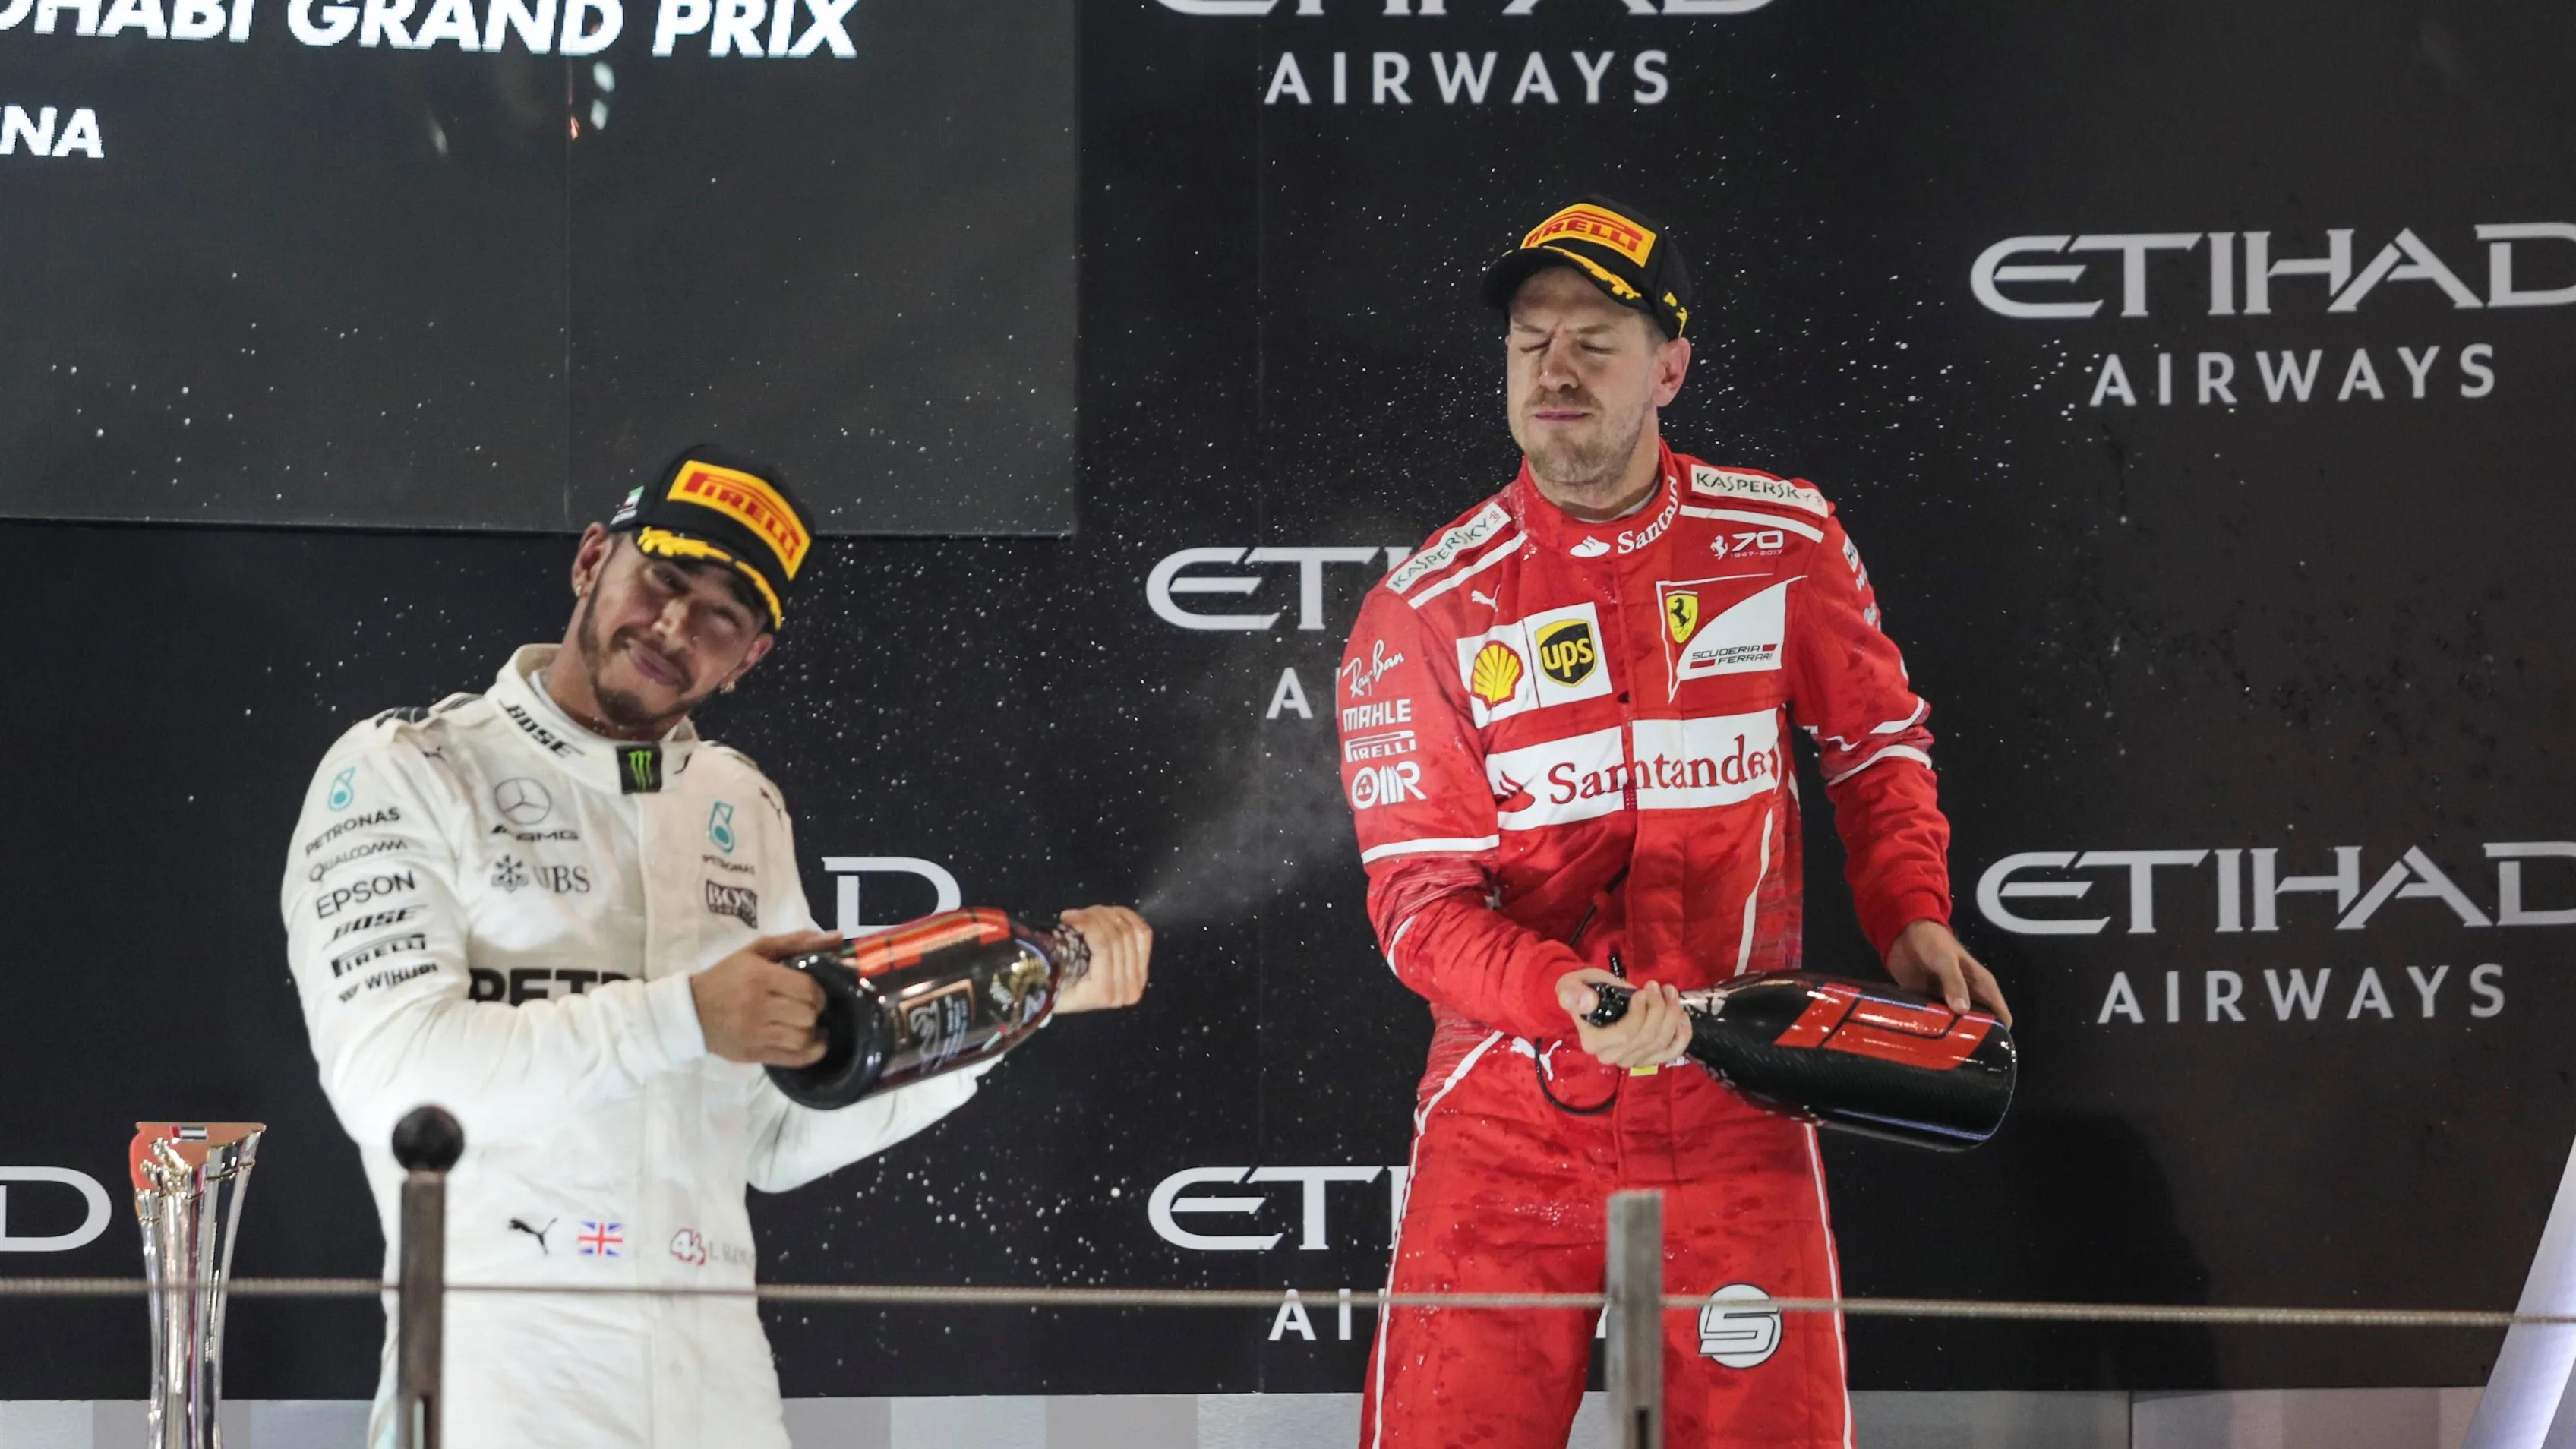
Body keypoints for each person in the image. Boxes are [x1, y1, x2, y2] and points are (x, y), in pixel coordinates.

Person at [279, 447, 1152, 1449]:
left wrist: (998, 1012)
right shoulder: (410, 769)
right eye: (661, 578)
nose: (674, 628)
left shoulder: (739, 801)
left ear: (750, 660)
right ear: (591, 560)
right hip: (501, 1394)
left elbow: (771, 1136)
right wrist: (686, 1015)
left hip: (719, 1398)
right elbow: (392, 1084)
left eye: (722, 616)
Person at [1334, 197, 2012, 1447]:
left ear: (1671, 369)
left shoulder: (1782, 538)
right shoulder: (1424, 607)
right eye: (1530, 342)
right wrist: (1564, 995)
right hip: (1511, 1113)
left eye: (1594, 341)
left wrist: (1910, 914)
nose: (1555, 370)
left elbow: (1875, 745)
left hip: (1738, 1102)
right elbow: (1419, 909)